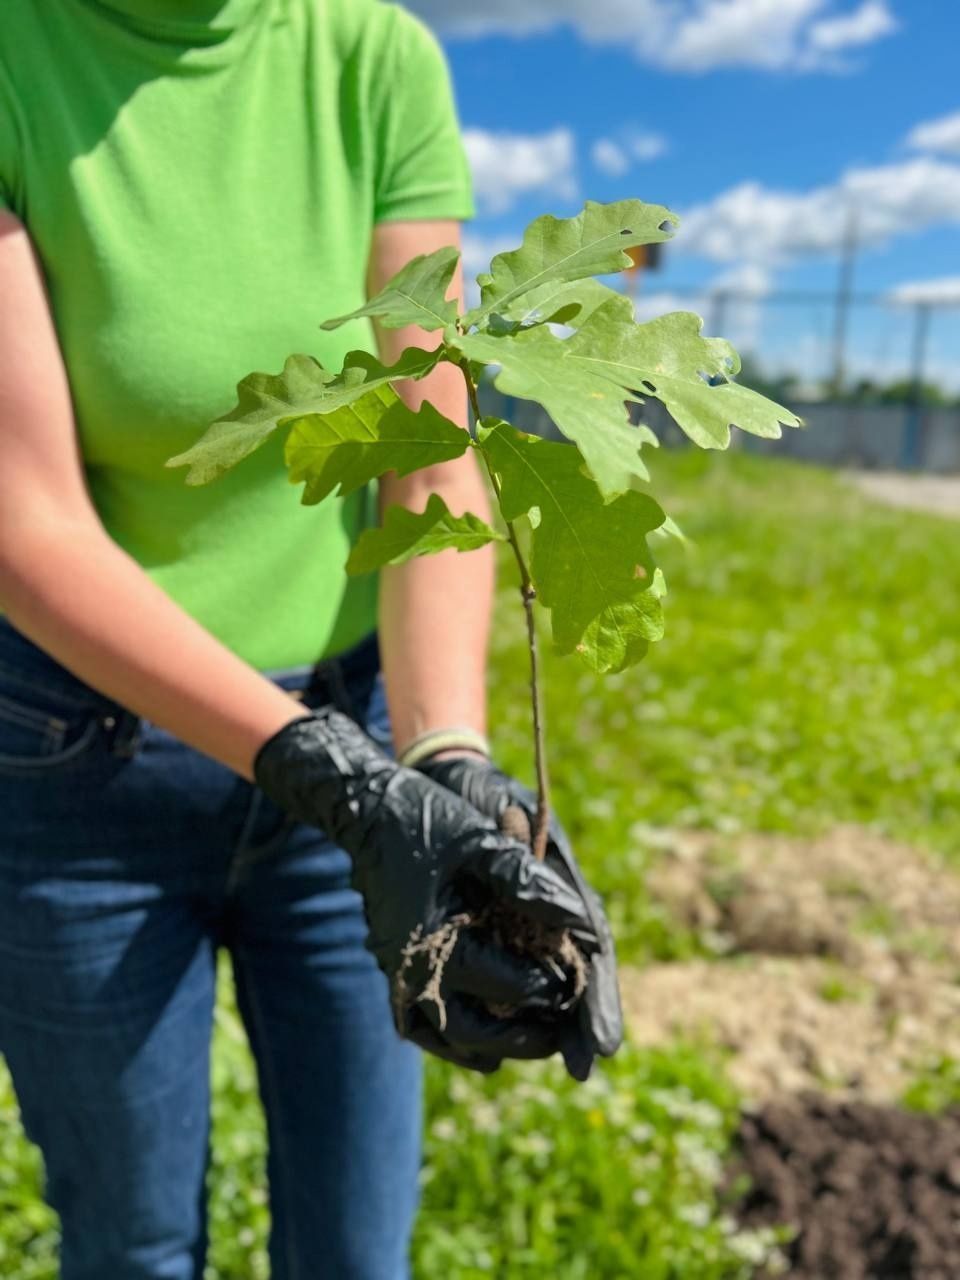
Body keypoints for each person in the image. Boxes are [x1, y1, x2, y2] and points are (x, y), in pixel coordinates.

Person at [0, 2, 619, 1278]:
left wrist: (444, 763)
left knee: (356, 1247)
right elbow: (25, 520)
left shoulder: (372, 57)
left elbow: (429, 443)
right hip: (79, 768)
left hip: (359, 749)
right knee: (130, 1245)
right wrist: (328, 773)